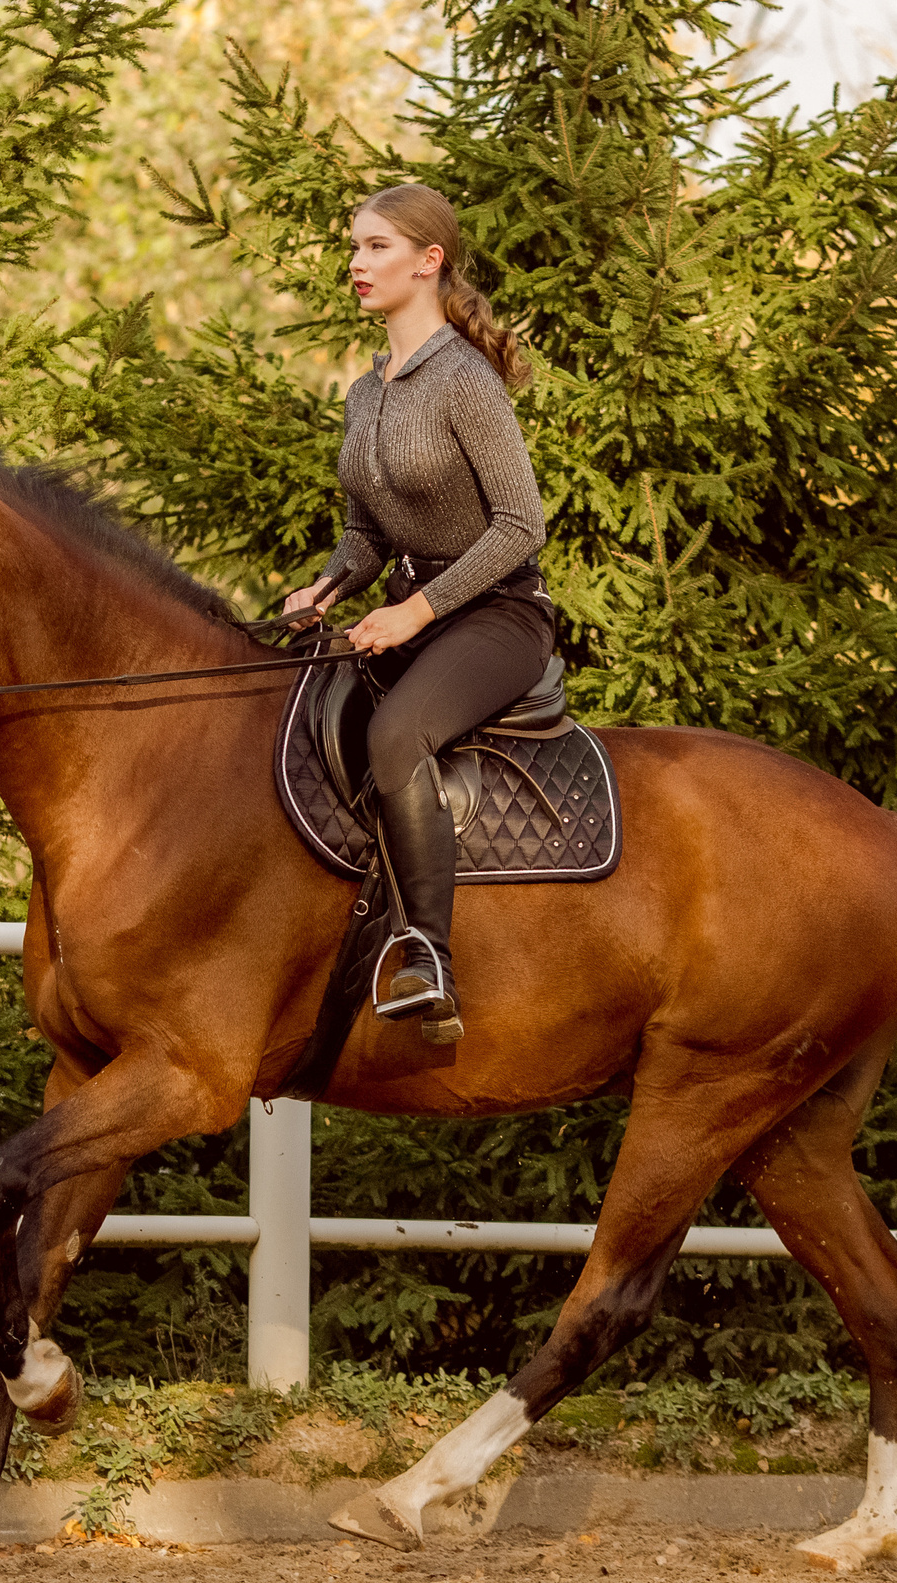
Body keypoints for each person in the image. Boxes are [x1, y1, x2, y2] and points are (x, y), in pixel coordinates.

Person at [282, 183, 551, 1047]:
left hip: (500, 616)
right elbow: (365, 530)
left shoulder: (465, 382)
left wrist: (417, 611)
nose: (356, 264)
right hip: (415, 611)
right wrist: (325, 589)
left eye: (376, 247)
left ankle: (427, 955)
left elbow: (522, 525)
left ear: (429, 261)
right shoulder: (368, 391)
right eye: (354, 247)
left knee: (397, 735)